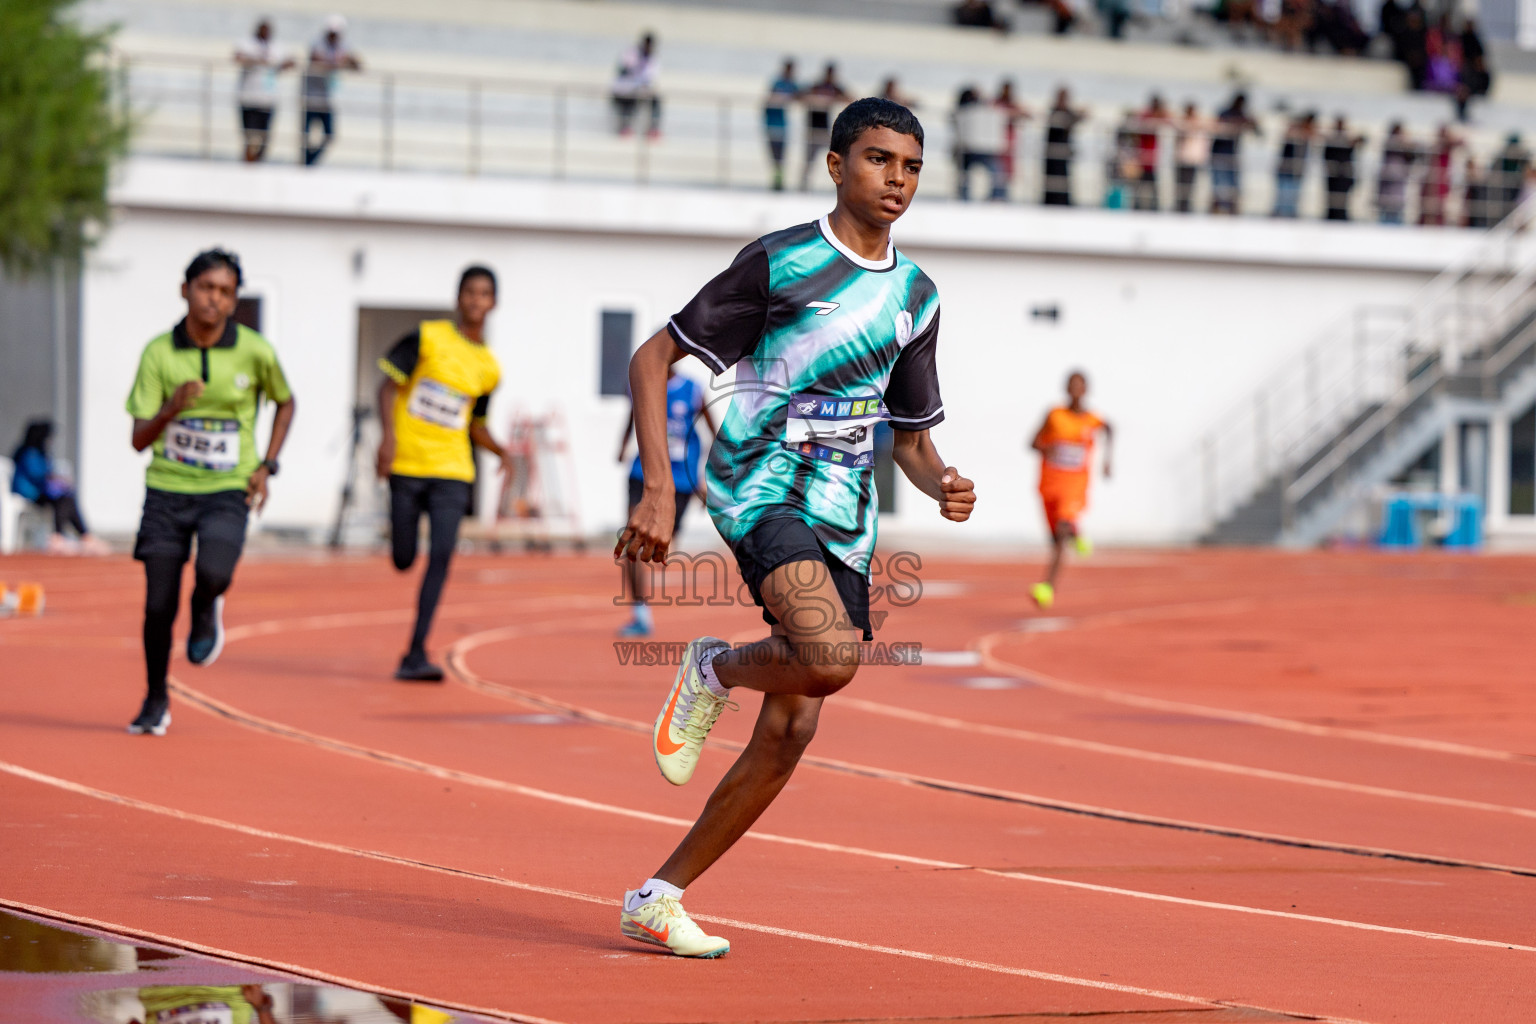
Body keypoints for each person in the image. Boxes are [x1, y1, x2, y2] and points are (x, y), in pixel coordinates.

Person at [615, 97, 976, 957]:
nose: (898, 180)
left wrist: (940, 485)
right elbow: (652, 356)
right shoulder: (781, 263)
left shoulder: (917, 297)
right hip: (759, 484)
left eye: (912, 166)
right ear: (836, 165)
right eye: (881, 160)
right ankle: (711, 666)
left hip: (846, 516)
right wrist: (660, 490)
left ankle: (656, 895)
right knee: (831, 657)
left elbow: (912, 435)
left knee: (793, 725)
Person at [124, 249, 296, 737]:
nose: (213, 300)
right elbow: (139, 439)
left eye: (224, 292)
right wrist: (170, 410)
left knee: (214, 572)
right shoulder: (159, 354)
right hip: (167, 490)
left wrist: (267, 465)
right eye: (205, 288)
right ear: (185, 290)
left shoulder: (255, 351)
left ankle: (206, 605)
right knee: (158, 604)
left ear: (234, 299)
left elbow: (286, 402)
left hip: (228, 485)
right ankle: (156, 698)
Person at [375, 267, 513, 681]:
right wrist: (387, 440)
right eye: (469, 292)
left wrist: (501, 450)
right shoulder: (427, 337)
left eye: (484, 294)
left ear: (493, 303)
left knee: (441, 556)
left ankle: (415, 652)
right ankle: (403, 555)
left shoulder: (489, 368)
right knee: (403, 558)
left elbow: (476, 423)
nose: (475, 300)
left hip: (453, 471)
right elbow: (387, 386)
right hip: (408, 464)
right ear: (458, 298)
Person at [615, 367, 716, 637]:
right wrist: (623, 444)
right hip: (644, 473)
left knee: (662, 546)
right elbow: (632, 416)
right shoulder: (643, 382)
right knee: (633, 541)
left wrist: (709, 478)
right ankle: (639, 613)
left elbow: (714, 430)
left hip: (681, 478)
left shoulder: (693, 390)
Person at [1029, 371, 1111, 610]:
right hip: (1049, 486)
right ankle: (1076, 533)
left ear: (1086, 390)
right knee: (1056, 537)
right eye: (1072, 385)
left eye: (1080, 386)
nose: (1076, 390)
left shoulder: (1093, 419)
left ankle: (1047, 587)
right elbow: (1032, 442)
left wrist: (1108, 459)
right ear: (1066, 388)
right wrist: (1046, 450)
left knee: (1061, 535)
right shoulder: (1054, 415)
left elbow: (1110, 428)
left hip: (1075, 487)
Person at [9, 420, 109, 555]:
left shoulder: (40, 453)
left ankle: (77, 537)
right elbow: (38, 475)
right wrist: (55, 479)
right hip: (29, 493)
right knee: (63, 499)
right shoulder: (29, 453)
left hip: (39, 492)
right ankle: (63, 537)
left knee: (67, 498)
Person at [301, 15, 361, 166]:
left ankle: (309, 163)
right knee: (305, 137)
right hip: (311, 98)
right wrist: (340, 63)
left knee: (329, 136)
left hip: (328, 99)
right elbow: (317, 60)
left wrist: (346, 61)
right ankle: (306, 163)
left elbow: (357, 65)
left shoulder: (343, 46)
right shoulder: (317, 43)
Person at [233, 19, 293, 162]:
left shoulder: (276, 46)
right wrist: (257, 60)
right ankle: (248, 163)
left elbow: (291, 61)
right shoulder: (248, 43)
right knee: (250, 137)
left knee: (264, 138)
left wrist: (278, 66)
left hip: (268, 99)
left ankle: (256, 163)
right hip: (248, 98)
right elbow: (237, 57)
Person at [800, 63, 851, 191]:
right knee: (809, 160)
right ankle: (803, 184)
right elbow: (801, 95)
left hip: (825, 130)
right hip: (812, 129)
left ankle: (841, 182)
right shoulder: (817, 86)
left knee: (838, 156)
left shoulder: (834, 88)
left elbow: (850, 98)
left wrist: (834, 99)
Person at [953, 86, 1008, 201]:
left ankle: (997, 197)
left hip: (983, 149)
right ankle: (965, 197)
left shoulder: (984, 110)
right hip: (969, 150)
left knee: (997, 171)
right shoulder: (964, 111)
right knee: (967, 174)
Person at [1209, 92, 1258, 215]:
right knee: (1219, 181)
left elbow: (1257, 132)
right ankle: (1218, 206)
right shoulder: (1225, 112)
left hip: (1233, 153)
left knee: (1233, 181)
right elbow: (1221, 126)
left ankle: (1231, 206)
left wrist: (1251, 121)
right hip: (1219, 152)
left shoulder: (1242, 115)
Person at [612, 32, 662, 138]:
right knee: (632, 98)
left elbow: (649, 79)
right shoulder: (631, 54)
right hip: (624, 89)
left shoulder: (652, 60)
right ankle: (625, 127)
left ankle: (654, 128)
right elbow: (625, 71)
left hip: (640, 90)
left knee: (655, 100)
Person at [1042, 88, 1085, 206]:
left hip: (1063, 153)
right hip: (1052, 153)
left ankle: (1063, 202)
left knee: (1063, 179)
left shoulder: (1068, 112)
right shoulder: (1054, 111)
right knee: (1052, 180)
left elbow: (1079, 117)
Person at [1272, 112, 1316, 219]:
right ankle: (1280, 214)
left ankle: (1289, 214)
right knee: (1283, 194)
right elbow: (1288, 133)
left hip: (1297, 169)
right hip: (1286, 168)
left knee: (1293, 195)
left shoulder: (1307, 133)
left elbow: (1313, 136)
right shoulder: (1293, 131)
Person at [764, 60, 799, 191]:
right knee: (775, 155)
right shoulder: (778, 84)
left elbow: (800, 94)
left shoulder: (791, 85)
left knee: (781, 156)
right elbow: (768, 102)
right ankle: (777, 181)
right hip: (773, 125)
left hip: (782, 126)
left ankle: (779, 181)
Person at [1322, 116, 1363, 221]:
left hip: (1344, 173)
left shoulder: (1347, 138)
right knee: (1332, 195)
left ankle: (1341, 214)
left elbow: (1361, 140)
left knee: (1343, 196)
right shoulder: (1331, 138)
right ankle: (1332, 214)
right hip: (1334, 172)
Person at [1376, 122, 1417, 224]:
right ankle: (1385, 221)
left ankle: (1395, 222)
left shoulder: (1402, 143)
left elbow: (1412, 152)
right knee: (1386, 201)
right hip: (1389, 176)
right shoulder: (1391, 142)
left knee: (1397, 201)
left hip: (1399, 176)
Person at [1173, 101, 1210, 214]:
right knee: (1180, 184)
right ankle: (1180, 206)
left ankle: (1187, 206)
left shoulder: (1199, 123)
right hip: (1182, 158)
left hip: (1193, 159)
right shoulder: (1181, 122)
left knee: (1190, 185)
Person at [1419, 125, 1459, 226]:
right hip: (1435, 180)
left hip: (1442, 181)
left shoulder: (1447, 146)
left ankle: (1439, 227)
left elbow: (1461, 142)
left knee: (1441, 209)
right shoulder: (1435, 147)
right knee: (1430, 207)